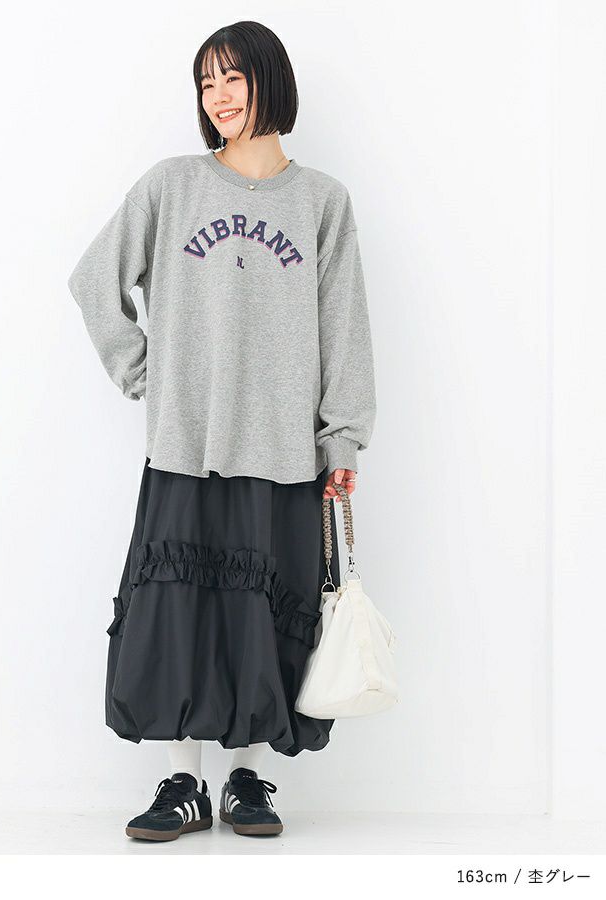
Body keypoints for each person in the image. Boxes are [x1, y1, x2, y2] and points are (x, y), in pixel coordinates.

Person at [67, 20, 376, 842]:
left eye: (233, 77)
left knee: (262, 618)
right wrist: (147, 377)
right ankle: (183, 781)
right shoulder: (172, 186)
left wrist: (342, 439)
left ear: (270, 80)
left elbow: (344, 329)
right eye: (207, 82)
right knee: (178, 614)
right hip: (188, 445)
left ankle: (246, 779)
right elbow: (94, 281)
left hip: (282, 449)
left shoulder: (322, 203)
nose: (219, 96)